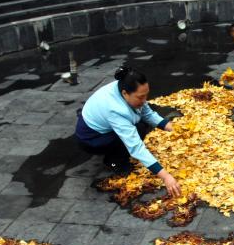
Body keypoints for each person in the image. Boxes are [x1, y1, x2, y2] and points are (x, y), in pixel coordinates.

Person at [75, 66, 181, 197]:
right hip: (91, 138)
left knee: (141, 125)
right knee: (137, 131)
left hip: (103, 125)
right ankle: (114, 161)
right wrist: (165, 176)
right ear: (125, 93)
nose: (144, 100)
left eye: (146, 95)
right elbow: (136, 147)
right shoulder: (115, 109)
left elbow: (147, 113)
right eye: (140, 97)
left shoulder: (125, 87)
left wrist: (174, 128)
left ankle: (117, 152)